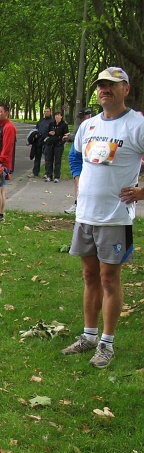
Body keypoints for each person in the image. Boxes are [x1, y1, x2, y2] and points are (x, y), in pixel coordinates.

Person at [60, 67, 144, 368]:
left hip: (115, 218)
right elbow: (76, 156)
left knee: (110, 279)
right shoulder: (89, 125)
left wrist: (141, 192)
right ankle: (89, 336)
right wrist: (79, 181)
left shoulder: (137, 125)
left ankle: (107, 344)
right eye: (101, 86)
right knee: (89, 276)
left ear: (126, 90)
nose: (104, 90)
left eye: (111, 85)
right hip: (86, 215)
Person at [64, 108, 94, 214]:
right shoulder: (82, 126)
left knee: (82, 183)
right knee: (77, 182)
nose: (81, 120)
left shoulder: (93, 126)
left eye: (83, 117)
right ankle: (78, 204)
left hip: (83, 159)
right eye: (80, 118)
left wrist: (71, 136)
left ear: (89, 116)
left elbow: (87, 140)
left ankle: (80, 205)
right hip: (76, 159)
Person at [44, 111, 69, 182]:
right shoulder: (51, 124)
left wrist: (61, 140)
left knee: (57, 161)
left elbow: (65, 135)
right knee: (49, 160)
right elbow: (47, 133)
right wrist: (49, 133)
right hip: (50, 144)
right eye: (56, 115)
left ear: (61, 117)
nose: (57, 117)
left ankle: (56, 176)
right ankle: (49, 175)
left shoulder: (64, 125)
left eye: (58, 115)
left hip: (58, 145)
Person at [30, 107, 54, 177]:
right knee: (37, 158)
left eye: (47, 111)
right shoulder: (41, 121)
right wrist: (35, 135)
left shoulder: (52, 122)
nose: (46, 113)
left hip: (46, 142)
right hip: (38, 142)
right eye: (45, 111)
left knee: (47, 159)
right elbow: (36, 129)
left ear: (50, 112)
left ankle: (47, 173)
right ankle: (35, 173)